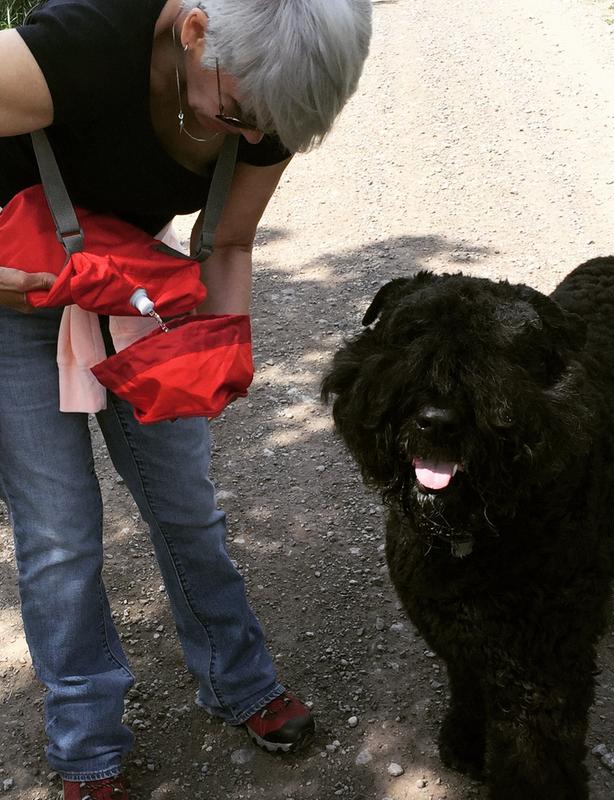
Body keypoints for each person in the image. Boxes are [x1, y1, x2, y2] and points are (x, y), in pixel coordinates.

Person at [0, 0, 372, 797]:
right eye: (237, 114)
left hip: (131, 289)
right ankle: (87, 748)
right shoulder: (87, 42)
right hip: (13, 300)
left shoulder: (266, 101)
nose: (247, 138)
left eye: (265, 132)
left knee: (186, 503)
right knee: (59, 536)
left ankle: (238, 680)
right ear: (196, 32)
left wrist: (222, 347)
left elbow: (228, 241)